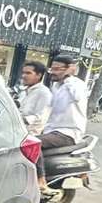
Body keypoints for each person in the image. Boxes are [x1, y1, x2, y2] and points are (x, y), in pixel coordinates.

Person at [37, 54, 89, 194]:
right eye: (52, 69)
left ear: (69, 69)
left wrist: (69, 76)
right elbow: (49, 108)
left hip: (68, 132)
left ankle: (41, 181)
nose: (53, 72)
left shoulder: (77, 85)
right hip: (52, 130)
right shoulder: (56, 86)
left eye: (57, 69)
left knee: (33, 143)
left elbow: (77, 97)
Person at [18, 61, 52, 136]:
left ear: (39, 75)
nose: (23, 76)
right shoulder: (24, 91)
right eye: (23, 73)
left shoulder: (44, 93)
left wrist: (19, 118)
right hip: (15, 130)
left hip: (28, 135)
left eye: (28, 73)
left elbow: (41, 118)